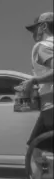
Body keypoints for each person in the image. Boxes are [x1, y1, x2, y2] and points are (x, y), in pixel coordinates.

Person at [20, 12, 53, 146]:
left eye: (35, 29)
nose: (33, 34)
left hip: (51, 105)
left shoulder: (43, 47)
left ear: (44, 26)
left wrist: (33, 81)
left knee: (37, 149)